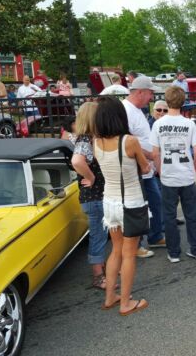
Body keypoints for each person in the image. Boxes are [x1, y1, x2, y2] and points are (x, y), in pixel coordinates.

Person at [93, 97, 149, 316]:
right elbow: (144, 168)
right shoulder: (129, 141)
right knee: (129, 253)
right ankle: (126, 302)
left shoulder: (95, 141)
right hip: (131, 203)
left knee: (115, 250)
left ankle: (110, 297)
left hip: (109, 202)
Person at [150, 86, 196, 263]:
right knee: (191, 215)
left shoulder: (158, 124)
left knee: (169, 216)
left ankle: (174, 253)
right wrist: (193, 168)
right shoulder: (189, 124)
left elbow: (155, 154)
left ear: (167, 102)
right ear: (183, 102)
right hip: (187, 176)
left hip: (168, 177)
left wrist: (160, 170)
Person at [123, 76, 165, 256]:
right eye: (150, 93)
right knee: (138, 208)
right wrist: (149, 155)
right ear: (139, 92)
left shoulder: (137, 110)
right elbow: (127, 141)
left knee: (155, 202)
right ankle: (136, 244)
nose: (152, 97)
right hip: (137, 169)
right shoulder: (127, 110)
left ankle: (155, 236)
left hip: (146, 169)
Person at [69, 102, 109, 290]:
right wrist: (91, 177)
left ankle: (102, 267)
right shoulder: (85, 140)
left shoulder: (89, 138)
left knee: (100, 234)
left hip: (95, 197)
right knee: (98, 235)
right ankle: (98, 275)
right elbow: (77, 161)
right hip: (94, 196)